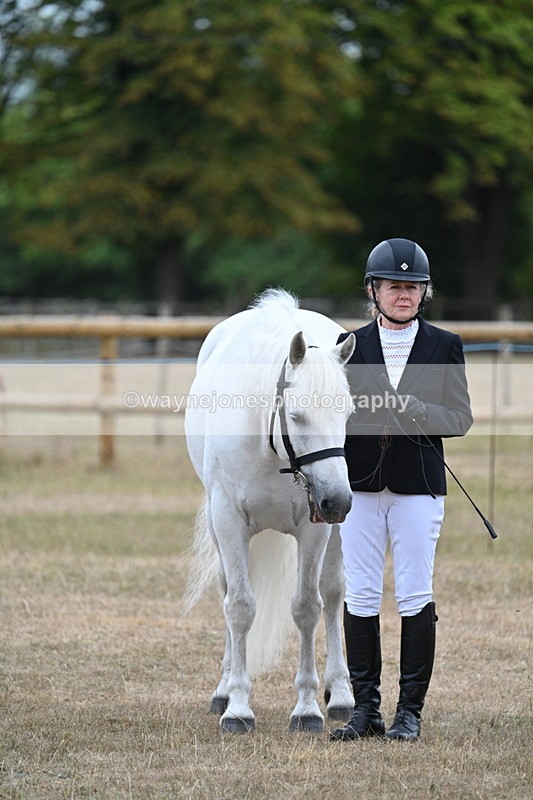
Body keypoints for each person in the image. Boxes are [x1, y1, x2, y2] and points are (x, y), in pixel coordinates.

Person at [330, 237, 473, 742]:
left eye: (413, 287)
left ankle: (408, 711)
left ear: (424, 293)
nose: (404, 295)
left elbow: (460, 418)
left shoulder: (443, 345)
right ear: (374, 290)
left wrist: (420, 413)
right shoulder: (348, 347)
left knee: (414, 593)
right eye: (395, 286)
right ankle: (364, 709)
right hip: (362, 486)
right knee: (361, 593)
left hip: (419, 487)